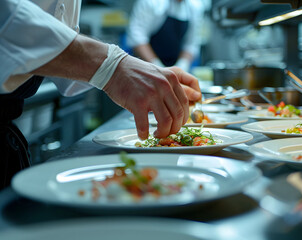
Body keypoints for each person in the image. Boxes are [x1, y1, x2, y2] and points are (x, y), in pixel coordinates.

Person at [0, 0, 202, 190]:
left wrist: (161, 75)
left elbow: (58, 30)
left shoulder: (194, 6)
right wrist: (112, 66)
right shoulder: (153, 3)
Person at [127, 0, 205, 72]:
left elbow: (191, 44)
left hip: (174, 65)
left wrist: (182, 66)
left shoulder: (195, 7)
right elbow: (137, 38)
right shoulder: (151, 2)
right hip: (145, 68)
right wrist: (157, 67)